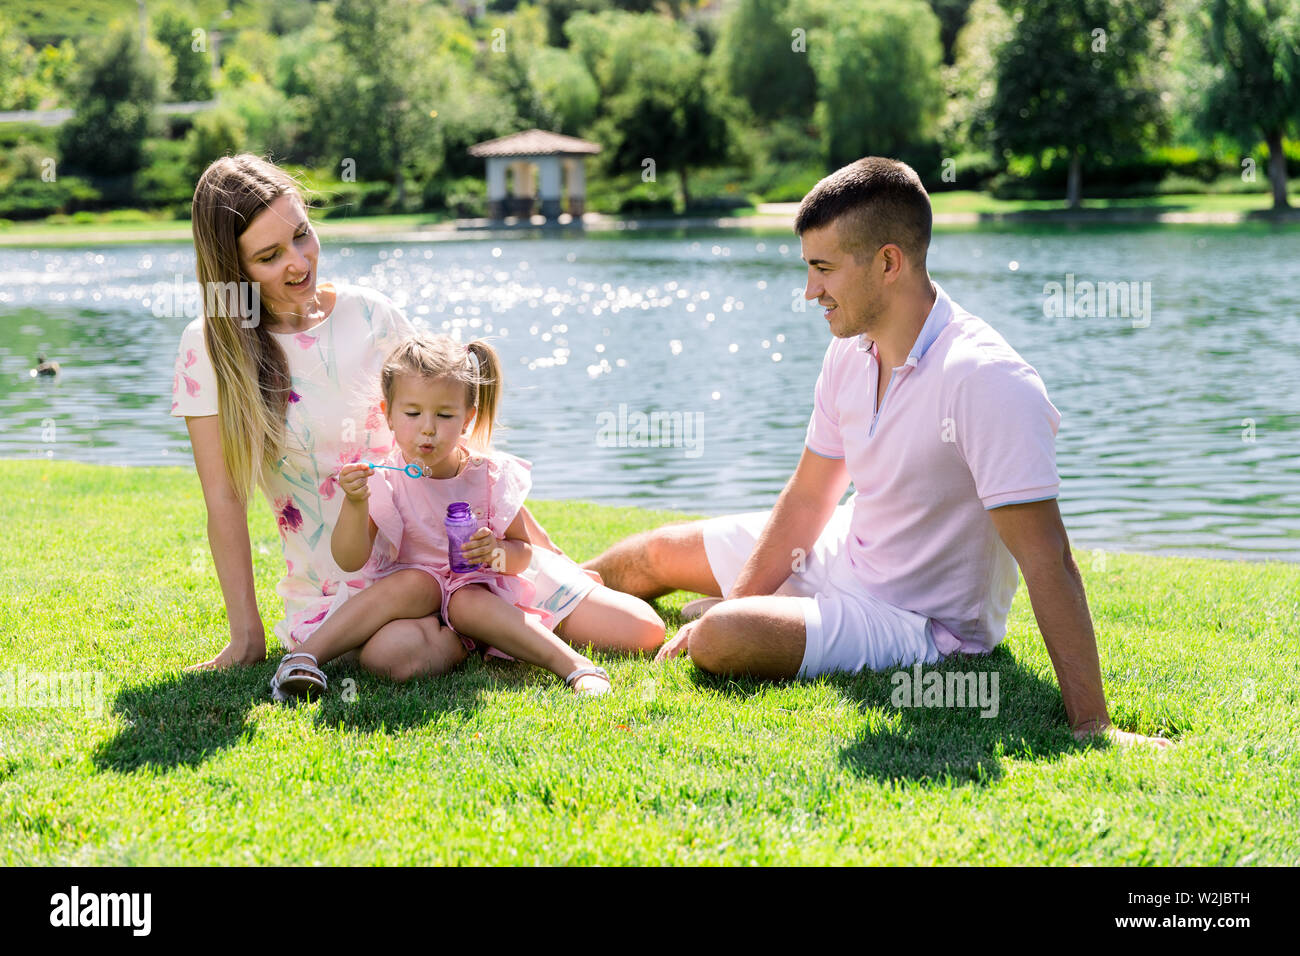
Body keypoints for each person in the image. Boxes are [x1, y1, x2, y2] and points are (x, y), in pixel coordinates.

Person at [585, 156, 1171, 750]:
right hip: (845, 553)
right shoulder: (851, 350)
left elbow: (1049, 558)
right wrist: (745, 596)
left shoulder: (987, 380)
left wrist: (1092, 726)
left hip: (917, 622)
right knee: (654, 553)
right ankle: (526, 599)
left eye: (823, 269)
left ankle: (740, 615)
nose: (811, 291)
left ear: (888, 262)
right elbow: (813, 495)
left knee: (719, 639)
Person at [173, 153, 662, 681]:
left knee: (639, 630)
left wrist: (544, 551)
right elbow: (224, 497)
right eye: (269, 256)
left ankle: (479, 615)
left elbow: (449, 422)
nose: (299, 262)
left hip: (457, 553)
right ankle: (476, 627)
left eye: (302, 235)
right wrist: (246, 636)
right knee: (396, 656)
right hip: (352, 583)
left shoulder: (369, 312)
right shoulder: (210, 348)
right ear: (233, 268)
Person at [269, 334, 656, 698]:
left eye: (445, 415)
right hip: (414, 601)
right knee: (409, 598)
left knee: (467, 602)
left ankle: (575, 667)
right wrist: (355, 504)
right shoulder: (385, 480)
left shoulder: (489, 477)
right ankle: (305, 658)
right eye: (413, 412)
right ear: (387, 414)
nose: (428, 429)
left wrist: (496, 552)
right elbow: (349, 560)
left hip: (478, 596)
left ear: (467, 418)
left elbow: (522, 554)